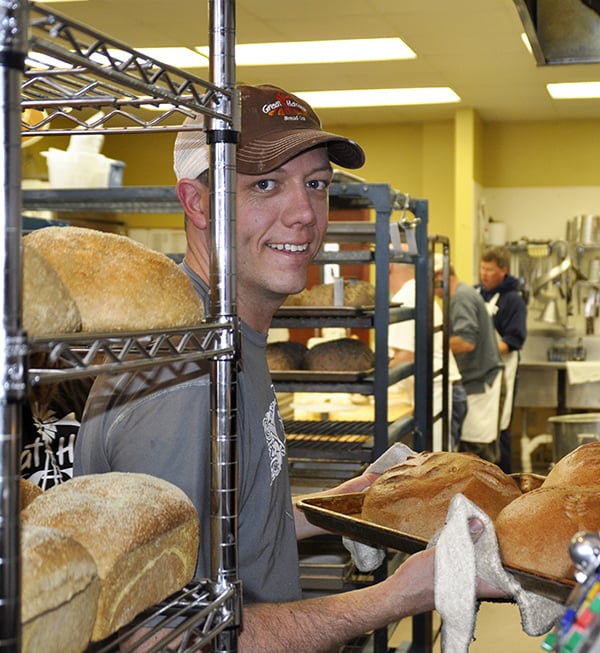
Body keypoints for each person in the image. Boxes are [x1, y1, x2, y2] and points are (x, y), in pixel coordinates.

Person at [75, 84, 505, 651]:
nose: (304, 213)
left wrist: (346, 504)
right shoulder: (185, 374)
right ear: (197, 202)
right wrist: (399, 595)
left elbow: (234, 531)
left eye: (317, 184)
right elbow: (161, 638)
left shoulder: (229, 336)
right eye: (265, 184)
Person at [388, 258, 464, 451]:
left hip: (437, 396)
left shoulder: (406, 298)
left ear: (389, 267)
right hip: (440, 393)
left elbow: (406, 356)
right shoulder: (419, 292)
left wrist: (373, 386)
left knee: (437, 470)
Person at [435, 262, 503, 464]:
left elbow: (466, 342)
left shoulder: (461, 297)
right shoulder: (460, 294)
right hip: (476, 379)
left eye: (432, 284)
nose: (433, 293)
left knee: (477, 451)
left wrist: (431, 348)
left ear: (441, 276)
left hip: (480, 381)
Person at [476, 246, 527, 474]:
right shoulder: (476, 294)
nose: (483, 273)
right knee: (479, 429)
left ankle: (505, 481)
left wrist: (478, 352)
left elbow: (512, 341)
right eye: (482, 268)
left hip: (501, 375)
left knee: (499, 428)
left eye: (489, 269)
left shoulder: (513, 301)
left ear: (503, 271)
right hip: (478, 375)